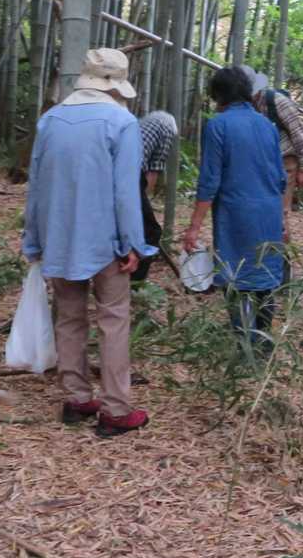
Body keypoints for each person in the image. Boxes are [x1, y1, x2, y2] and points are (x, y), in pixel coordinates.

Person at [22, 48, 155, 437]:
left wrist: (33, 239)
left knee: (69, 315)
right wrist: (133, 243)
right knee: (113, 319)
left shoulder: (51, 120)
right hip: (105, 240)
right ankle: (115, 409)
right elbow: (125, 192)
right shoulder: (121, 122)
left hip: (58, 236)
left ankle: (77, 397)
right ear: (116, 85)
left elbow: (36, 186)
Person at [182, 66, 287, 356]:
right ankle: (263, 341)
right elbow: (281, 177)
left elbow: (209, 181)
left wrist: (194, 227)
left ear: (219, 95)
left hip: (236, 212)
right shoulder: (267, 125)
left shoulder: (218, 125)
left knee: (235, 274)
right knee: (264, 272)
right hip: (269, 211)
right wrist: (283, 217)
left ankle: (245, 346)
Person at [240, 65, 303, 224]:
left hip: (284, 163)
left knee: (280, 214)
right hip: (259, 164)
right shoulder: (244, 106)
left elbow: (299, 135)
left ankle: (280, 239)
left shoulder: (278, 101)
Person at [132, 110, 178, 282]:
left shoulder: (144, 123)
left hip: (114, 171)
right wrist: (145, 200)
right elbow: (153, 170)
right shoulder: (168, 128)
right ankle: (136, 281)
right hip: (132, 173)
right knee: (151, 232)